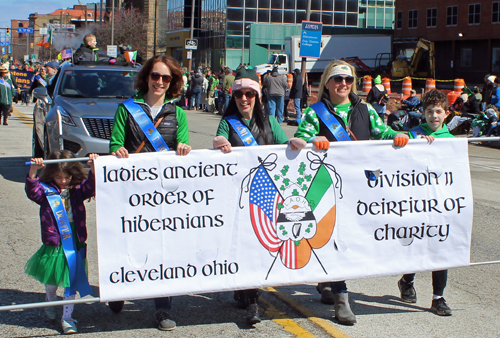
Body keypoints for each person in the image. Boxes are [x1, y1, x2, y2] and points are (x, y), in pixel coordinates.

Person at [293, 59, 408, 325]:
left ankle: (328, 281)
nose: (342, 84)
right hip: (328, 188)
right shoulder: (314, 112)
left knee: (350, 237)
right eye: (337, 79)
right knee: (336, 238)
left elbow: (383, 133)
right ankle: (341, 296)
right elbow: (300, 138)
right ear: (328, 83)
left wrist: (403, 137)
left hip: (359, 187)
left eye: (347, 79)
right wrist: (312, 140)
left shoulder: (366, 109)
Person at [212, 68, 306, 325]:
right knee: (241, 245)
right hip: (236, 194)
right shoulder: (227, 121)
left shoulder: (270, 121)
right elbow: (218, 139)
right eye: (240, 94)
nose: (244, 99)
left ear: (257, 96)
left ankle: (251, 297)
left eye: (250, 94)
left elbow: (283, 146)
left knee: (256, 246)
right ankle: (247, 292)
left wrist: (295, 143)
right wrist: (219, 142)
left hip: (263, 194)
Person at [109, 54, 191, 331]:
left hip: (163, 194)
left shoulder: (177, 112)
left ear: (172, 82)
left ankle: (162, 308)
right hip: (132, 189)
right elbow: (115, 143)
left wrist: (184, 149)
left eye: (165, 78)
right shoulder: (127, 109)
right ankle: (119, 288)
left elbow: (184, 145)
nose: (159, 82)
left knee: (161, 250)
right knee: (127, 243)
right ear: (146, 77)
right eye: (155, 76)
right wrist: (116, 151)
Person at [25, 150, 98, 334]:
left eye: (67, 177)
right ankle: (50, 300)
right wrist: (33, 171)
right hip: (55, 239)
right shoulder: (45, 189)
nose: (63, 181)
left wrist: (93, 168)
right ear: (51, 174)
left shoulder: (77, 189)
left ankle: (67, 318)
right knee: (52, 279)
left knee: (70, 278)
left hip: (75, 237)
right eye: (59, 177)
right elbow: (33, 192)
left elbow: (91, 187)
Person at [398, 89, 453, 316]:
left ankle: (438, 297)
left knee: (440, 249)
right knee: (418, 245)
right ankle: (407, 279)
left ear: (447, 114)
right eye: (429, 112)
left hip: (440, 202)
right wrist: (416, 144)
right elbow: (398, 155)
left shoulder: (451, 141)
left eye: (438, 111)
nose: (434, 116)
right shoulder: (414, 134)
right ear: (423, 113)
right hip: (417, 202)